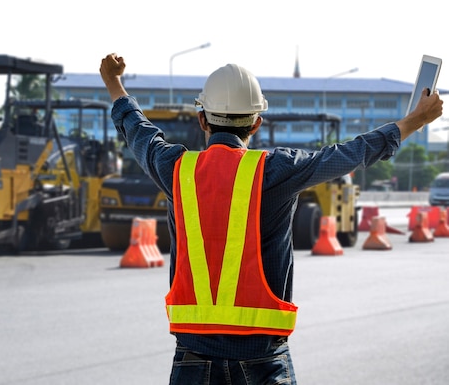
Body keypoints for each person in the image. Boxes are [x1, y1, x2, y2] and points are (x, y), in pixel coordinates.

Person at [99, 53, 443, 385]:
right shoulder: (276, 169)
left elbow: (138, 131)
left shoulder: (175, 169)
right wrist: (415, 120)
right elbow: (351, 153)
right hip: (262, 360)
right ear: (257, 122)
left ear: (202, 120)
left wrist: (114, 83)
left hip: (193, 355)